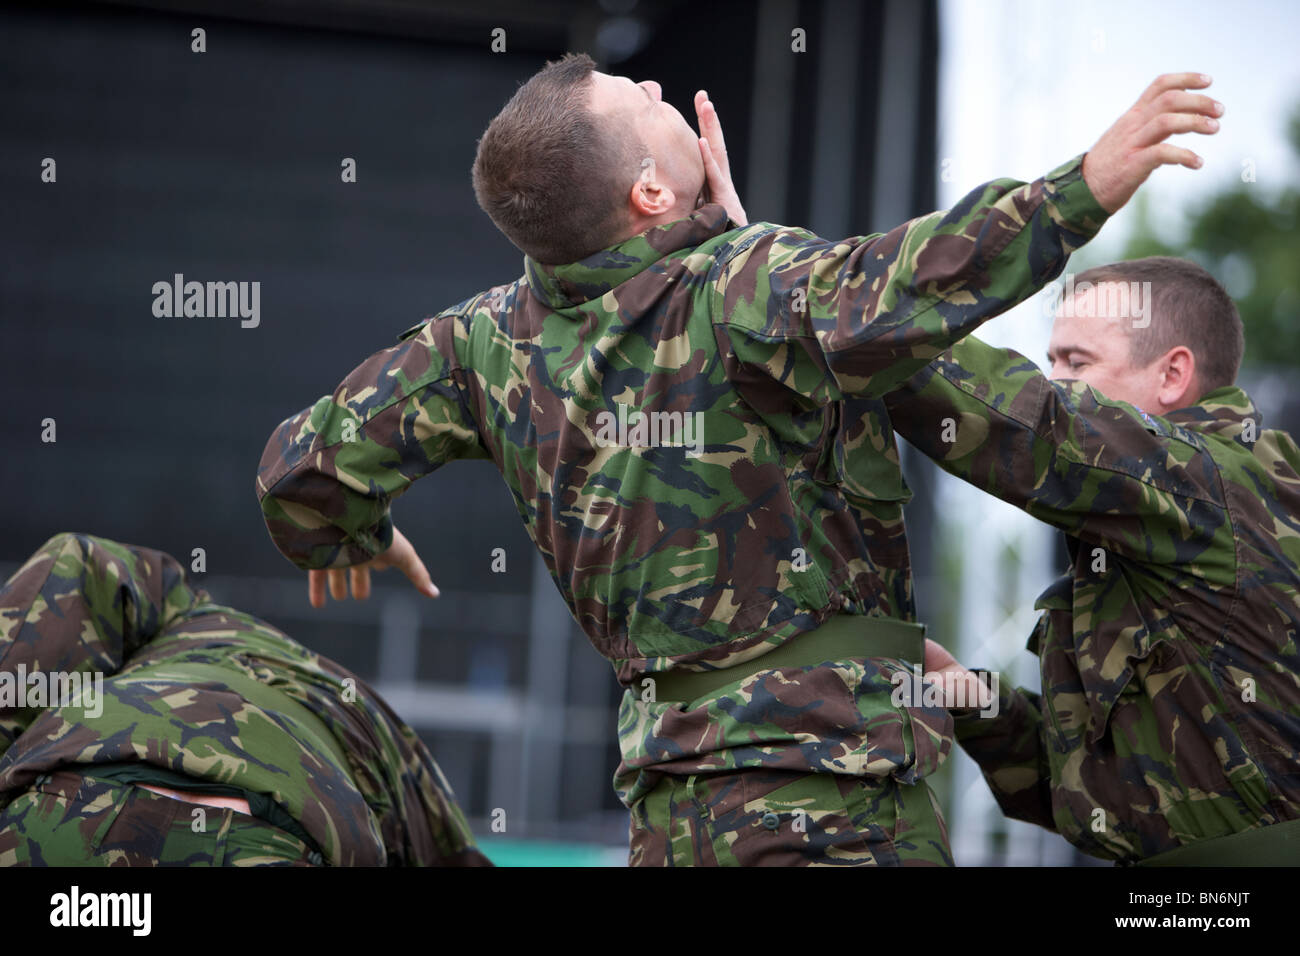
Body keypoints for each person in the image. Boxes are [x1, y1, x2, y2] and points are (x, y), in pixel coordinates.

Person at [254, 53, 1221, 865]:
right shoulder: (742, 284)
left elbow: (299, 472)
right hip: (834, 807)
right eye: (648, 104)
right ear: (650, 190)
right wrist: (1081, 186)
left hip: (670, 817)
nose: (664, 97)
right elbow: (903, 284)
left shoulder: (481, 344)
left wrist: (361, 540)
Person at [884, 256, 1300, 865]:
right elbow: (1109, 800)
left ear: (1172, 375)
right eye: (1051, 361)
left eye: (1077, 363)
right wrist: (981, 706)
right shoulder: (1166, 519)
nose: (1054, 382)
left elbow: (1032, 428)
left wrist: (839, 311)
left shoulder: (1211, 483)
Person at [0, 532, 490, 866]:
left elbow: (71, 568)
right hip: (276, 835)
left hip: (66, 803)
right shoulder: (379, 727)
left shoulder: (175, 616)